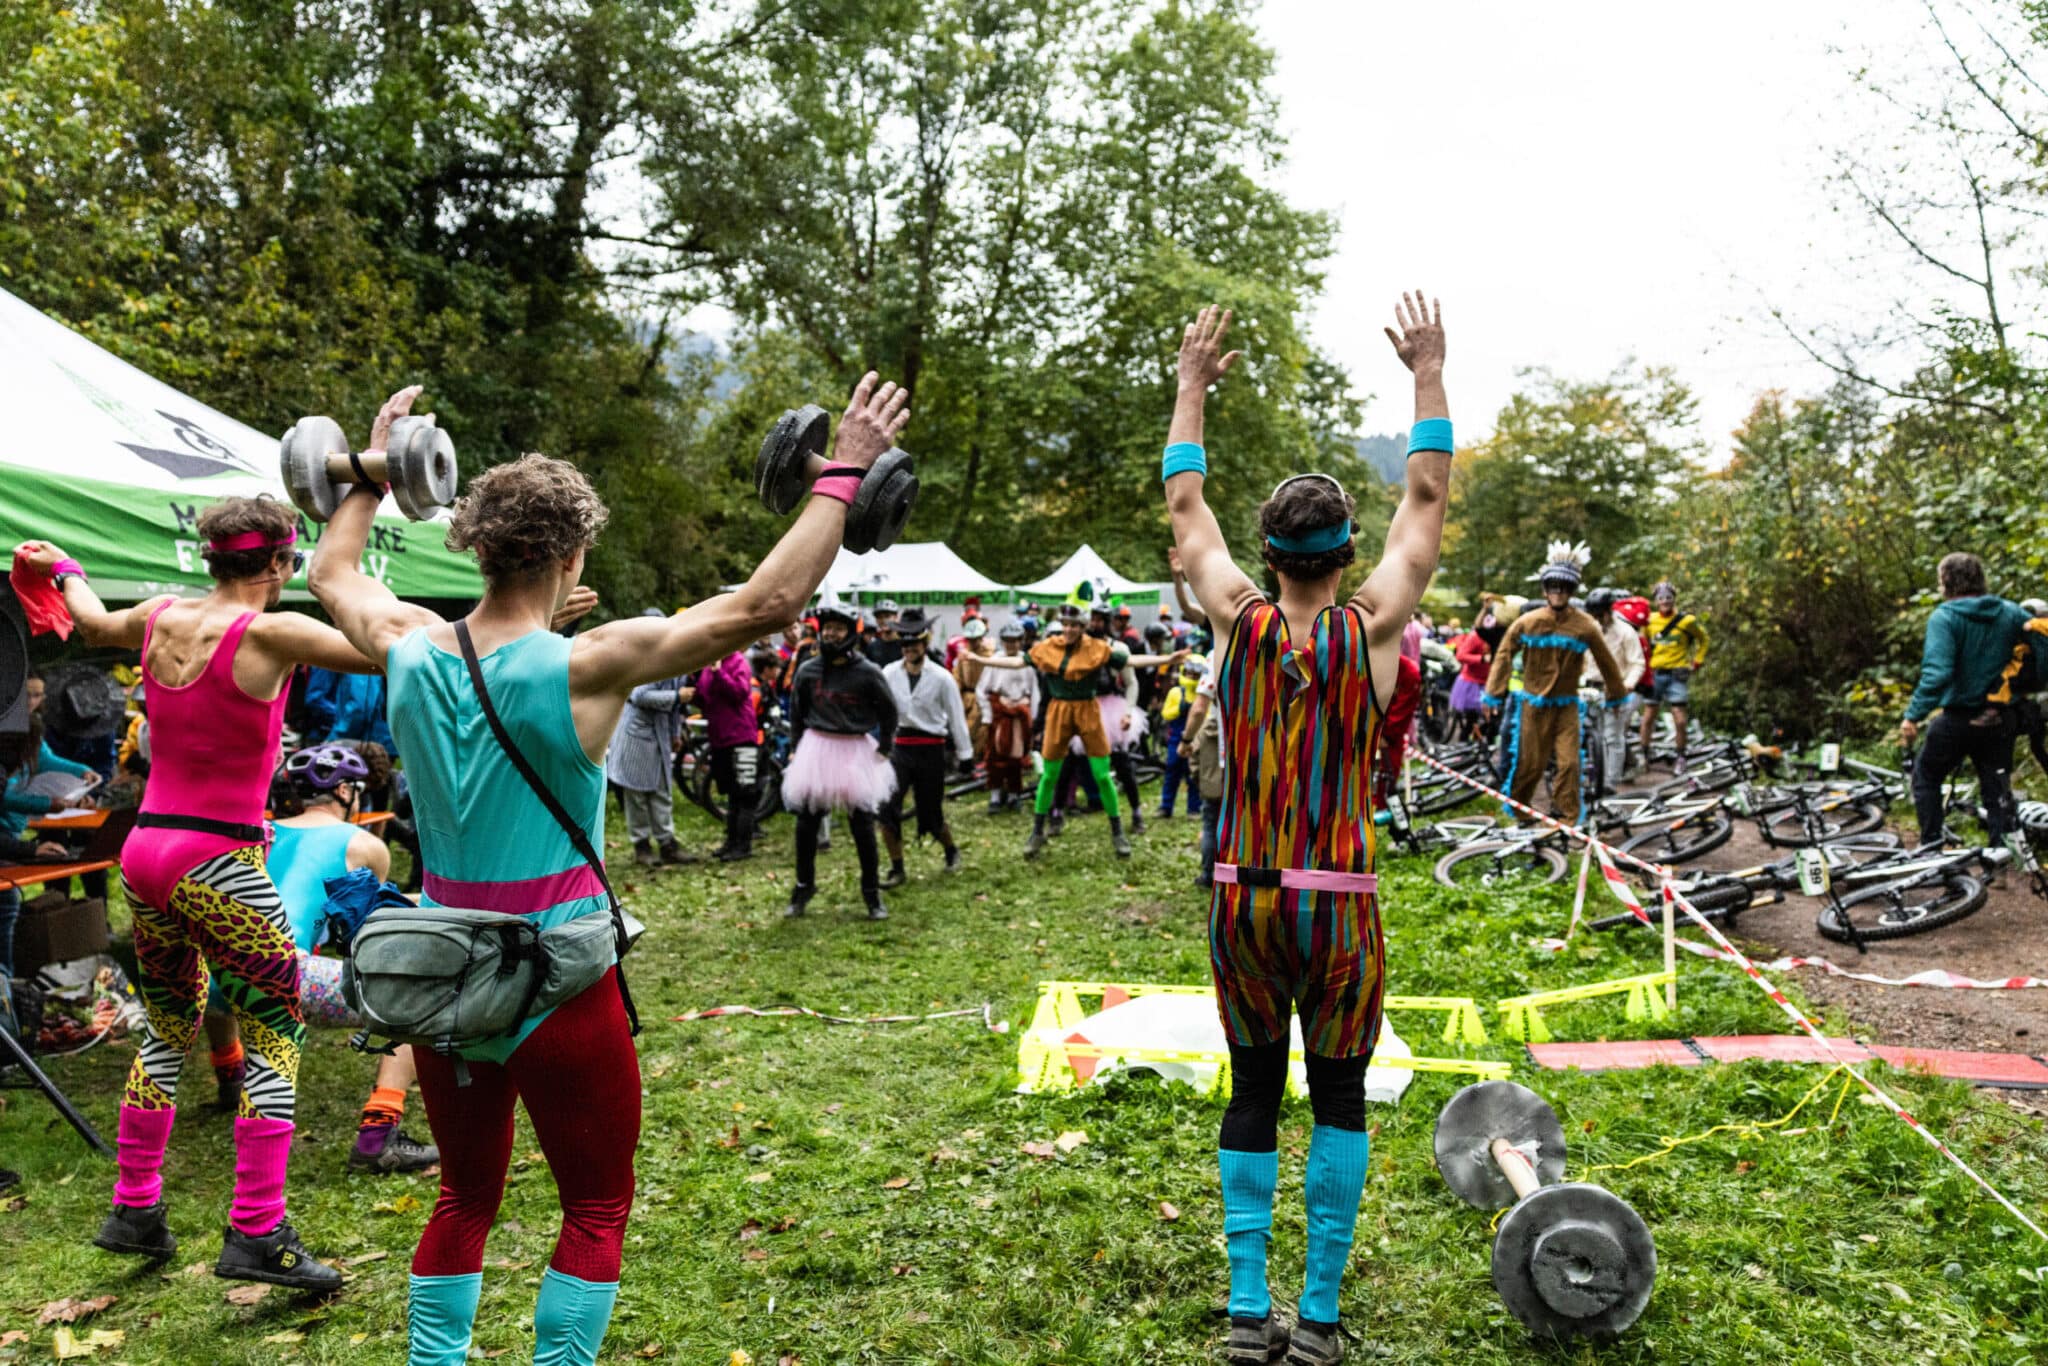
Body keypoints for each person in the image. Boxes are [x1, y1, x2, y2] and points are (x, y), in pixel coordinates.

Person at [307, 375, 909, 1365]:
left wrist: (373, 471)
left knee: (463, 1197)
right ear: (572, 555)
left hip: (443, 976)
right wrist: (842, 468)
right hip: (556, 983)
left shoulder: (407, 647)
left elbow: (333, 572)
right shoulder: (587, 663)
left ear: (475, 548)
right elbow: (768, 602)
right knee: (593, 1207)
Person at [1165, 296, 1451, 1366]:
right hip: (1338, 906)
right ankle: (1318, 1321)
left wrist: (1192, 385)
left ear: (1270, 553)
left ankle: (1249, 1313)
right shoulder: (1373, 627)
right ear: (1342, 552)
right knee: (1336, 1098)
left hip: (1242, 898)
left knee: (1251, 1090)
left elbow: (1184, 501)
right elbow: (1425, 497)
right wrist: (1426, 372)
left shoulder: (1231, 618)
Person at [20, 498, 383, 1293]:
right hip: (217, 859)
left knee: (168, 1028)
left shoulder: (159, 616)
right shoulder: (271, 634)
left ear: (211, 558)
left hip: (147, 854)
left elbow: (89, 619)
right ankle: (257, 1229)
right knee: (276, 1029)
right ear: (279, 563)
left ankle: (135, 1209)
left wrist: (63, 568)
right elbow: (387, 648)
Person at [202, 746, 439, 1175]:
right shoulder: (364, 844)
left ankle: (231, 1075)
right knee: (412, 997)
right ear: (345, 791)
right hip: (285, 978)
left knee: (231, 954)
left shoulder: (261, 832)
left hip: (210, 986)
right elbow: (370, 926)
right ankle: (378, 1134)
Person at [1484, 542, 1627, 825]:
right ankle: (1522, 812)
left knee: (1570, 763)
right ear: (1544, 590)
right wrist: (1493, 695)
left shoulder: (1585, 625)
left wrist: (1616, 696)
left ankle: (1568, 818)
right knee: (1529, 763)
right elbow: (1503, 655)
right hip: (1533, 705)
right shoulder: (1528, 622)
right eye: (1553, 586)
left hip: (1566, 707)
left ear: (1572, 590)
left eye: (1564, 587)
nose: (1558, 592)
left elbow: (1607, 663)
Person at [1901, 552, 2032, 849]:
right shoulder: (2010, 612)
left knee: (1926, 776)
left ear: (1946, 581)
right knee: (1997, 788)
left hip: (1958, 719)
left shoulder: (1945, 617)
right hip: (2000, 716)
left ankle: (1931, 847)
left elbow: (1938, 673)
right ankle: (2001, 855)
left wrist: (1913, 715)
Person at [988, 606, 1135, 860]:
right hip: (1058, 711)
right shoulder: (1049, 647)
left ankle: (1118, 830)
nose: (1069, 629)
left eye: (1074, 625)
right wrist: (980, 660)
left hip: (1089, 710)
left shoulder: (1096, 648)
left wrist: (1168, 659)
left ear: (1083, 627)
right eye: (1066, 624)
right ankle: (1038, 830)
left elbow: (1130, 663)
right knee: (1050, 775)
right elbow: (1017, 661)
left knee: (1103, 775)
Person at [785, 604, 899, 920]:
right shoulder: (808, 670)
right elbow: (796, 712)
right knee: (806, 824)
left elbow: (889, 711)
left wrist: (885, 746)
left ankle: (871, 894)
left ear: (850, 633)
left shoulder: (867, 672)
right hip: (817, 749)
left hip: (854, 750)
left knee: (862, 826)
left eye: (838, 628)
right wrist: (796, 748)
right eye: (827, 628)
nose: (831, 634)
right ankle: (803, 887)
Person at [878, 609, 971, 886]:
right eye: (905, 644)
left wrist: (965, 754)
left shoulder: (942, 677)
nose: (909, 649)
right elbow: (879, 710)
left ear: (925, 643)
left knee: (930, 811)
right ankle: (897, 867)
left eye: (915, 643)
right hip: (900, 748)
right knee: (886, 808)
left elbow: (956, 717)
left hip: (931, 748)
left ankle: (950, 850)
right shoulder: (889, 673)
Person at [604, 610, 691, 869]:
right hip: (636, 735)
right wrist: (676, 697)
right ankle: (641, 845)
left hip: (659, 734)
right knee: (637, 795)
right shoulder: (643, 660)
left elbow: (677, 705)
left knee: (662, 790)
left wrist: (675, 732)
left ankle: (667, 843)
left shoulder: (678, 659)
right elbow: (640, 696)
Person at [696, 647, 763, 863]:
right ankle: (732, 842)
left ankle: (743, 845)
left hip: (741, 737)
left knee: (745, 794)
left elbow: (740, 692)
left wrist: (719, 673)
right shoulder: (709, 663)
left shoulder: (738, 662)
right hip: (720, 739)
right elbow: (704, 697)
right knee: (732, 794)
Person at [1637, 581, 1707, 775]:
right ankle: (1644, 755)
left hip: (1677, 674)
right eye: (1661, 598)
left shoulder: (1686, 621)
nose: (1665, 601)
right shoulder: (1650, 621)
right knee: (1648, 717)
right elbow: (1643, 645)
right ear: (1656, 601)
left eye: (1668, 597)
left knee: (1680, 720)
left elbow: (1703, 639)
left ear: (1674, 599)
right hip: (1656, 674)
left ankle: (1681, 756)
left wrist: (1698, 661)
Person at [1581, 588, 1645, 790]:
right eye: (1594, 615)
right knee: (1590, 734)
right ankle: (1592, 776)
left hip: (1616, 689)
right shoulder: (1588, 629)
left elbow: (1637, 663)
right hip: (1590, 687)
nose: (1598, 619)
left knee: (1613, 737)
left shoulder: (1626, 632)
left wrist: (1627, 685)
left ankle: (1610, 782)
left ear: (1609, 611)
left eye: (1601, 615)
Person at [977, 622, 1038, 813]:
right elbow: (982, 690)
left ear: (1021, 641)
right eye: (1008, 641)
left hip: (1019, 714)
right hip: (1000, 714)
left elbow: (1034, 691)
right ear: (1002, 642)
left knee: (1016, 756)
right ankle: (995, 794)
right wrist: (988, 715)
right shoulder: (995, 661)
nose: (1012, 645)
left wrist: (1033, 718)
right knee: (995, 755)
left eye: (1016, 641)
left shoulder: (1026, 662)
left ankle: (1013, 794)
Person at [1155, 655, 1207, 819]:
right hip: (1175, 739)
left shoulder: (1203, 695)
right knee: (1171, 772)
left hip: (1196, 739)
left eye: (1196, 674)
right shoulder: (1176, 692)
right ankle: (1166, 806)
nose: (1191, 676)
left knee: (1193, 774)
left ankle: (1194, 808)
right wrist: (1178, 709)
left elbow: (1206, 716)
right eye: (1189, 673)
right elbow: (1166, 713)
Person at [951, 617, 994, 761]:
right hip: (965, 697)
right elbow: (957, 676)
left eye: (976, 639)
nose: (973, 642)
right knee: (960, 727)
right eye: (970, 639)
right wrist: (955, 693)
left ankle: (975, 759)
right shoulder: (963, 655)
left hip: (982, 698)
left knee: (977, 730)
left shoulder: (989, 655)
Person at [1450, 607, 1494, 740]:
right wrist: (1481, 659)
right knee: (1471, 722)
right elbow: (1460, 655)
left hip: (1488, 683)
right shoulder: (1475, 636)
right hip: (1471, 684)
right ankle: (1463, 746)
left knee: (1490, 722)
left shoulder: (1497, 636)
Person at [864, 599, 905, 667]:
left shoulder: (905, 644)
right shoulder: (872, 647)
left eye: (887, 616)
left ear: (896, 617)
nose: (883, 620)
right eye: (879, 617)